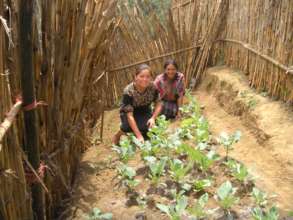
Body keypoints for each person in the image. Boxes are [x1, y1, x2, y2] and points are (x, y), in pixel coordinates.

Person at [113, 64, 162, 145]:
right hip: (128, 113)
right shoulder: (128, 91)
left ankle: (139, 129)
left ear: (151, 78)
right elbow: (130, 116)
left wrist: (153, 118)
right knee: (127, 127)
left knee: (150, 128)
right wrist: (139, 136)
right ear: (135, 77)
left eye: (148, 76)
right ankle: (119, 133)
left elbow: (159, 103)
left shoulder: (153, 87)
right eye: (141, 76)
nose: (145, 79)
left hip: (144, 110)